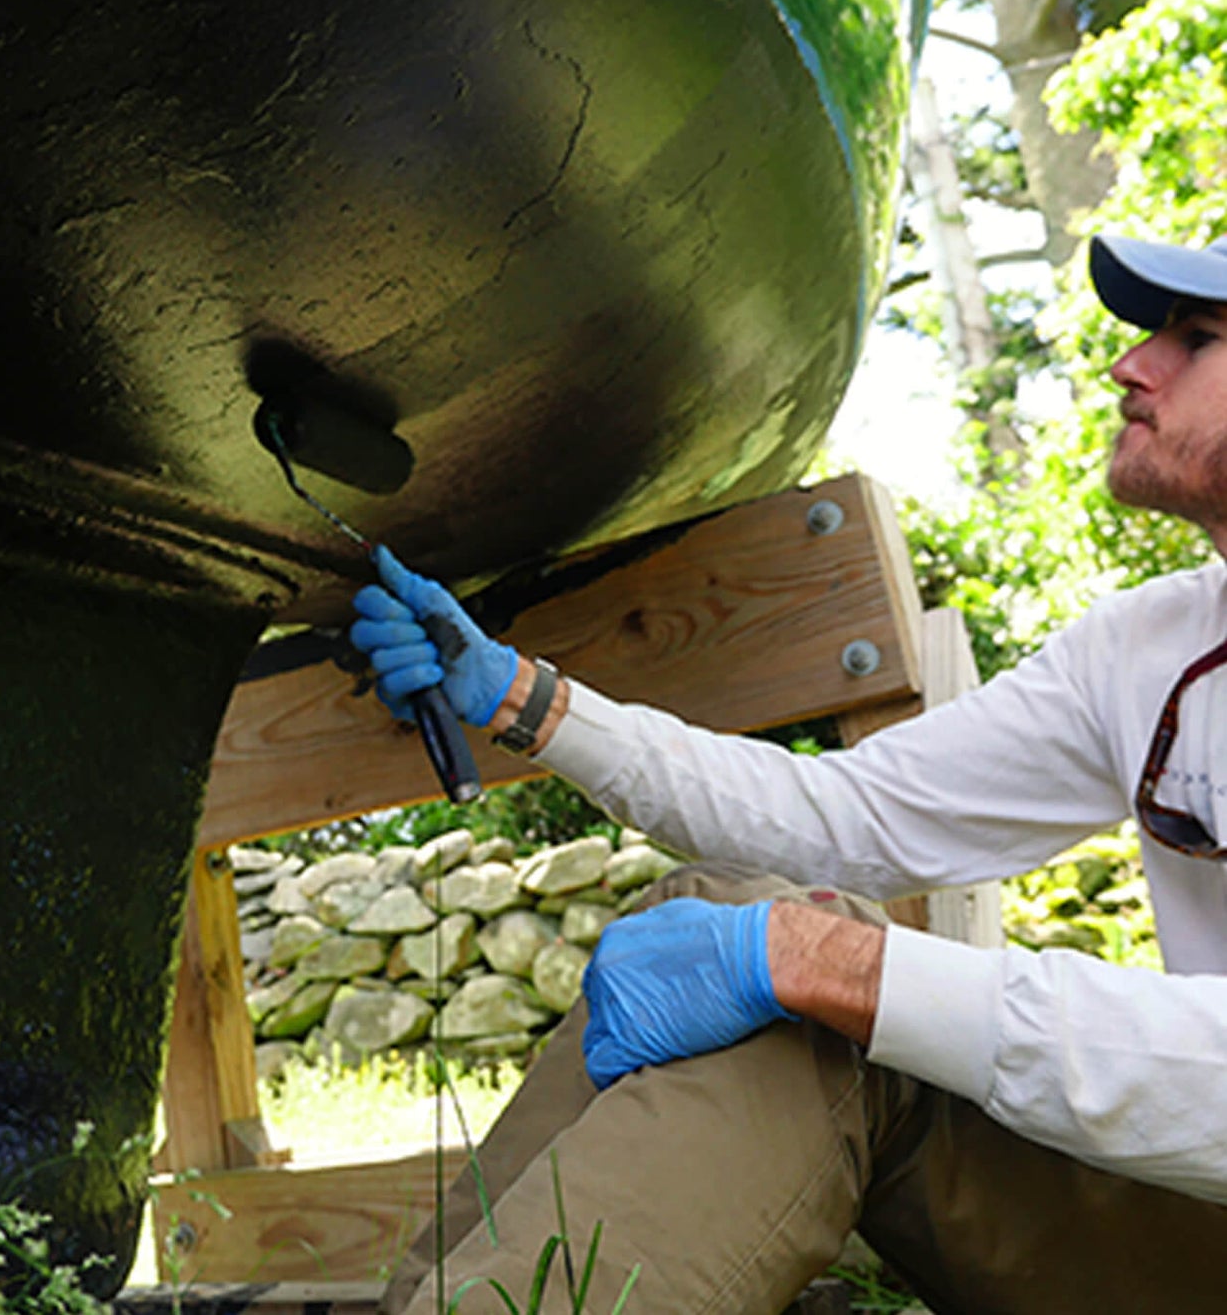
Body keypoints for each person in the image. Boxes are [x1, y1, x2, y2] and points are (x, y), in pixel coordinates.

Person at [349, 229, 1227, 1315]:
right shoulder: (1149, 646)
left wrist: (838, 970)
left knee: (821, 983)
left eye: (1194, 337)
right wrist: (520, 699)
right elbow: (841, 815)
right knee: (736, 909)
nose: (1127, 364)